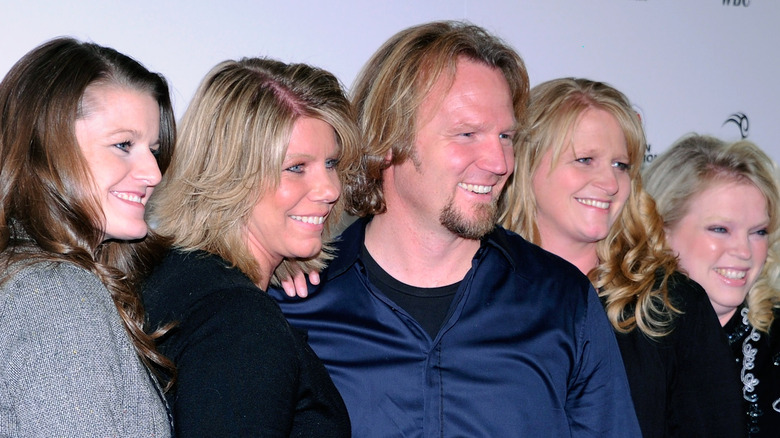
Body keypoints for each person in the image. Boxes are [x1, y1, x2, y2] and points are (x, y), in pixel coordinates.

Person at [270, 21, 641, 437]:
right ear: (388, 140)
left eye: (505, 136)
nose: (499, 162)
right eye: (467, 134)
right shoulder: (294, 305)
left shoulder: (561, 300)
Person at [499, 78, 746, 437]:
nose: (611, 183)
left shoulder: (671, 306)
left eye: (621, 165)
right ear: (527, 162)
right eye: (585, 160)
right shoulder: (474, 291)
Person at [142, 57, 360, 437]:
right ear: (229, 175)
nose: (331, 190)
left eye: (332, 163)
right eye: (296, 167)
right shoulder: (240, 322)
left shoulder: (176, 278)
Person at [0, 38, 174, 436]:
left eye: (153, 149)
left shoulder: (26, 277)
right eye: (123, 145)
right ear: (47, 147)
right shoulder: (54, 292)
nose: (154, 173)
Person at [644, 134, 780, 438]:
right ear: (660, 230)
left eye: (759, 232)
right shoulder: (619, 338)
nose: (744, 251)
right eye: (720, 229)